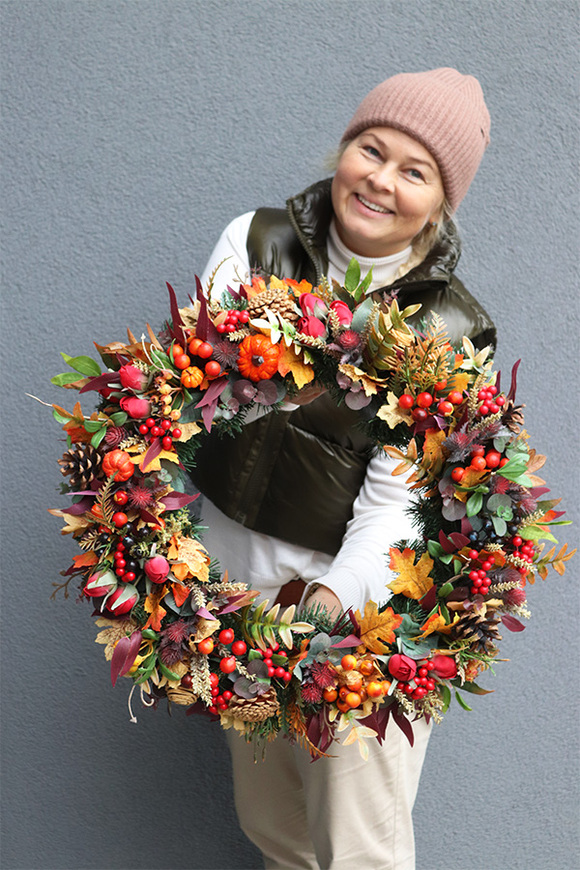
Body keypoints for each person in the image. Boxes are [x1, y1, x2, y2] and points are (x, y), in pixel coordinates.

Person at [191, 68, 496, 870]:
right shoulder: (257, 243)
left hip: (365, 621)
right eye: (372, 150)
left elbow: (400, 504)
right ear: (343, 150)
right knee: (275, 829)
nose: (381, 181)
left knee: (358, 851)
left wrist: (326, 607)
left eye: (415, 171)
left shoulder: (448, 329)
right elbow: (195, 395)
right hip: (237, 604)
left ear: (441, 203)